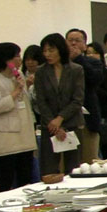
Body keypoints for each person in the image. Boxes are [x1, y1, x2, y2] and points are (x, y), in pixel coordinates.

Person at [0, 41, 39, 191]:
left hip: (25, 132)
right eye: (16, 56)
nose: (19, 59)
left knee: (25, 176)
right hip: (7, 135)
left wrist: (26, 86)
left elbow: (25, 101)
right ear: (6, 59)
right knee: (6, 176)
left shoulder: (18, 75)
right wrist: (15, 92)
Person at [32, 32, 87, 177]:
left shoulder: (76, 70)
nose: (47, 54)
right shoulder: (41, 71)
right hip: (49, 125)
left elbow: (77, 100)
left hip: (72, 123)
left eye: (51, 50)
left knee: (73, 169)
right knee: (49, 169)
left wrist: (60, 118)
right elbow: (41, 101)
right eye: (44, 51)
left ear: (60, 49)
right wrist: (53, 123)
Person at [67, 28, 107, 159]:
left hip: (88, 118)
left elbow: (95, 80)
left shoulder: (93, 62)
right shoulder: (60, 65)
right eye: (70, 40)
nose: (73, 43)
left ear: (85, 45)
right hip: (66, 120)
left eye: (77, 40)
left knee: (89, 160)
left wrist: (78, 58)